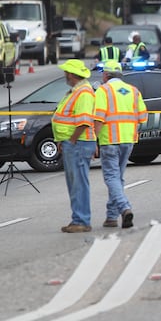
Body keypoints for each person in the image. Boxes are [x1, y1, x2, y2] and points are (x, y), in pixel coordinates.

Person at [93, 60, 148, 229]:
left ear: (106, 75)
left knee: (111, 177)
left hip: (109, 140)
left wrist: (94, 141)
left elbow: (99, 117)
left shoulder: (103, 90)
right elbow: (143, 117)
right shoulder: (133, 91)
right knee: (117, 178)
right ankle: (111, 217)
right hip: (128, 140)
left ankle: (124, 208)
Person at [52, 59, 96, 233]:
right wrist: (63, 140)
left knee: (78, 183)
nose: (64, 75)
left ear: (70, 74)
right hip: (74, 143)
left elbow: (84, 121)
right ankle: (78, 218)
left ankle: (81, 220)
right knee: (75, 183)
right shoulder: (76, 91)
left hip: (78, 143)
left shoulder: (83, 93)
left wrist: (71, 140)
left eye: (66, 72)